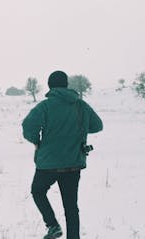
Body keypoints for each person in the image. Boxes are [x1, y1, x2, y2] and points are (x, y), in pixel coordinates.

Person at [22, 71, 103, 239]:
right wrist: (76, 126)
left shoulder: (45, 106)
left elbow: (28, 127)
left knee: (37, 191)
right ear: (66, 85)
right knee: (71, 207)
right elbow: (97, 126)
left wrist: (36, 141)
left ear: (50, 86)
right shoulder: (81, 105)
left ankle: (52, 226)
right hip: (73, 164)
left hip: (48, 164)